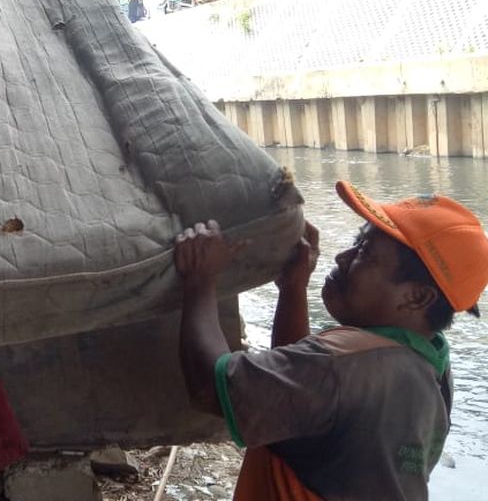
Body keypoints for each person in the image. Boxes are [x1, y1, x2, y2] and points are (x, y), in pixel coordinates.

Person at [175, 182, 488, 500]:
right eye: (356, 242)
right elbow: (297, 397)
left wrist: (200, 280)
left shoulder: (347, 363)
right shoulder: (433, 364)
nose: (342, 256)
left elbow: (210, 388)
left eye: (364, 252)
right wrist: (293, 289)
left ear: (417, 297)